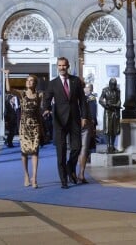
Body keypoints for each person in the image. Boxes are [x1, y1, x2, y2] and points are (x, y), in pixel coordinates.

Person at [42, 57, 88, 189]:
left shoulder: (75, 81)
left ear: (67, 66)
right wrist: (46, 109)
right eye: (59, 65)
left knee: (77, 147)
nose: (62, 68)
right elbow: (47, 99)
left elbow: (82, 101)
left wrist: (84, 116)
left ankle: (70, 167)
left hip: (74, 119)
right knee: (61, 152)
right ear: (57, 67)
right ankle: (63, 180)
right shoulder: (53, 83)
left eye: (64, 65)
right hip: (59, 121)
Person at [4, 70, 44, 188]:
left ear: (35, 83)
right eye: (27, 80)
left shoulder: (39, 95)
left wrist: (41, 128)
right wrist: (7, 75)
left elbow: (38, 112)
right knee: (25, 152)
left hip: (35, 125)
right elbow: (8, 89)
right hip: (24, 126)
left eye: (31, 81)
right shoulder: (22, 93)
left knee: (35, 151)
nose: (29, 82)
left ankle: (35, 178)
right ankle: (26, 175)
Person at [99, 78, 121, 154]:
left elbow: (119, 100)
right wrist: (106, 105)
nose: (113, 86)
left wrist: (117, 104)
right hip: (108, 112)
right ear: (109, 84)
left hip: (115, 111)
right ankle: (108, 146)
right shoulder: (105, 90)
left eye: (114, 85)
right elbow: (100, 100)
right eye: (112, 85)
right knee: (108, 129)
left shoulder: (117, 90)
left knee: (115, 129)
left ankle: (112, 145)